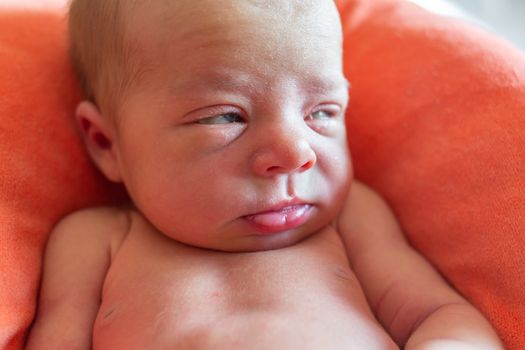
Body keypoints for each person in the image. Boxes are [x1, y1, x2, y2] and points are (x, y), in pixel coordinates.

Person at [26, 0, 503, 349]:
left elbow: (441, 315)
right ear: (107, 143)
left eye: (322, 112)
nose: (296, 154)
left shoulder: (353, 217)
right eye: (224, 117)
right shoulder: (93, 240)